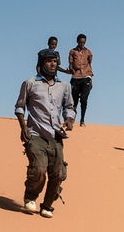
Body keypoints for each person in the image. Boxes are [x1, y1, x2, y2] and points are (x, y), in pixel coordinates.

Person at [14, 48, 75, 218]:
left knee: (58, 174)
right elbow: (20, 107)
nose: (53, 64)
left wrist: (69, 119)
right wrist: (23, 127)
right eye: (49, 61)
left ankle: (47, 206)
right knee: (39, 169)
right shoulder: (30, 83)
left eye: (55, 61)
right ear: (41, 63)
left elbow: (69, 107)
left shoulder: (64, 86)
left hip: (56, 137)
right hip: (35, 134)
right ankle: (30, 197)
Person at [66, 34, 93, 127]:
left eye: (83, 42)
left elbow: (90, 63)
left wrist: (91, 78)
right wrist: (71, 68)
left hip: (86, 77)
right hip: (76, 77)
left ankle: (82, 120)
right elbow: (70, 63)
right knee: (74, 100)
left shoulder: (88, 52)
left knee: (84, 99)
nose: (82, 44)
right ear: (77, 41)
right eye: (80, 42)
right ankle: (72, 118)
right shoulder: (72, 51)